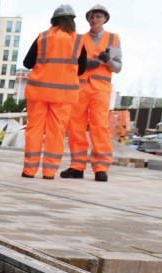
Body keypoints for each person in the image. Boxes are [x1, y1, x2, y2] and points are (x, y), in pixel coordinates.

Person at [21, 4, 87, 179]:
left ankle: (29, 170)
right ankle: (49, 172)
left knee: (34, 130)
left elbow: (27, 63)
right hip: (64, 96)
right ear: (72, 22)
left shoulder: (42, 37)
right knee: (56, 133)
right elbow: (81, 70)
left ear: (53, 21)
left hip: (38, 92)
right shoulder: (79, 41)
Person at [60, 4, 122, 182]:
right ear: (88, 19)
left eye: (99, 17)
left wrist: (108, 60)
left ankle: (101, 168)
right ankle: (77, 166)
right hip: (79, 89)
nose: (95, 20)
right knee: (75, 128)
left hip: (100, 91)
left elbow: (118, 68)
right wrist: (84, 63)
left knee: (100, 127)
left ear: (105, 19)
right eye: (92, 17)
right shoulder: (78, 39)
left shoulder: (114, 39)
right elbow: (70, 62)